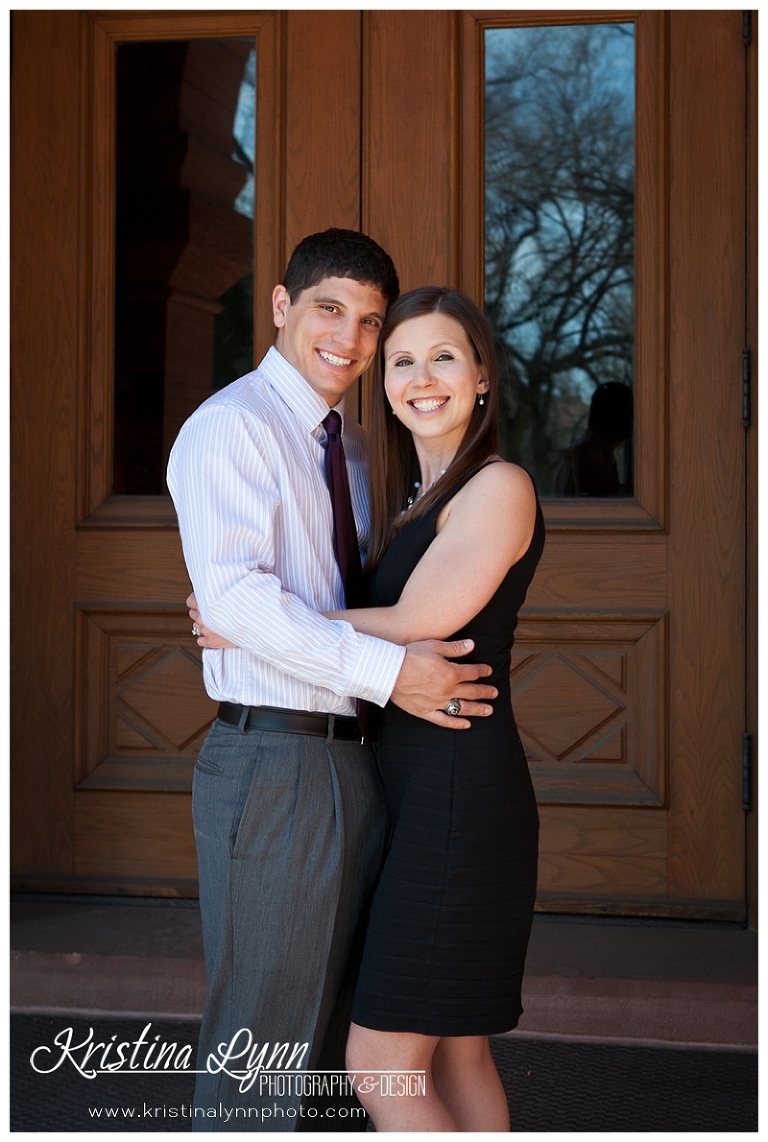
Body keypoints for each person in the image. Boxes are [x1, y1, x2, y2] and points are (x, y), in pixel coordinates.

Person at [167, 232, 498, 1132]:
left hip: (364, 764)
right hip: (274, 762)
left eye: (370, 322)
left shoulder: (357, 453)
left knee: (333, 1054)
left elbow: (314, 602)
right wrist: (391, 672)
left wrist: (365, 670)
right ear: (281, 306)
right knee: (263, 1049)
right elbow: (236, 594)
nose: (349, 340)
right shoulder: (230, 428)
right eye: (328, 310)